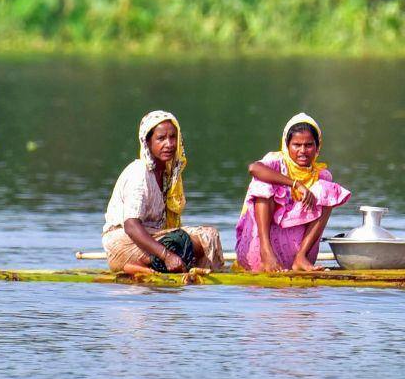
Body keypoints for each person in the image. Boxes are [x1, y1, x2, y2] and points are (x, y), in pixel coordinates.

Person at [101, 110, 224, 273]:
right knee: (181, 241)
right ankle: (139, 265)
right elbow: (131, 226)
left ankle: (154, 264)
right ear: (148, 142)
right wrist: (166, 255)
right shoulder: (139, 173)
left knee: (209, 235)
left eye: (173, 137)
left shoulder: (167, 174)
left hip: (152, 238)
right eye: (161, 138)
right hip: (125, 243)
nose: (169, 144)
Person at [235, 113, 351, 272]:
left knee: (327, 191)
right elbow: (254, 168)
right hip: (260, 254)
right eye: (296, 145)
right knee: (262, 184)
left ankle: (301, 257)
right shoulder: (276, 161)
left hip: (297, 254)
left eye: (309, 145)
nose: (303, 151)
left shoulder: (321, 175)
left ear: (317, 147)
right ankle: (266, 253)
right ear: (287, 145)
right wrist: (295, 184)